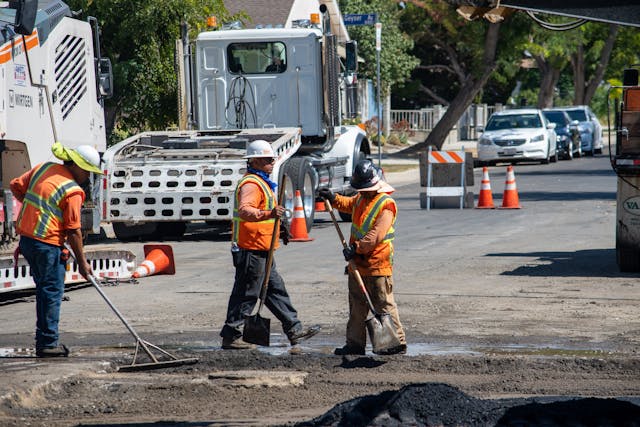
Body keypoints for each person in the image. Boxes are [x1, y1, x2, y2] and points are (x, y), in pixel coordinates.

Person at [220, 140, 319, 350]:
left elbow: (268, 214)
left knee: (275, 290)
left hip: (262, 248)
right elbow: (247, 211)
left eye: (272, 159)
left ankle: (295, 330)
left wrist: (281, 227)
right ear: (254, 160)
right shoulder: (251, 185)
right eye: (267, 160)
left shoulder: (262, 182)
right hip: (251, 249)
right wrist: (270, 214)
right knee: (247, 293)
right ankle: (232, 335)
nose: (272, 163)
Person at [10, 142, 102, 358]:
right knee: (51, 292)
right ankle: (48, 343)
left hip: (28, 242)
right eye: (87, 171)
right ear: (78, 166)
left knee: (44, 290)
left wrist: (36, 210)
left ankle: (44, 341)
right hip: (47, 245)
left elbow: (16, 186)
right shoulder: (73, 191)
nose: (88, 177)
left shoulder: (43, 168)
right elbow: (73, 231)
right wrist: (82, 262)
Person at [319, 159, 406, 356]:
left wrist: (356, 248)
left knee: (384, 305)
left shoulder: (386, 205)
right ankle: (355, 345)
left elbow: (376, 235)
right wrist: (333, 198)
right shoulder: (361, 198)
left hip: (377, 265)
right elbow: (349, 204)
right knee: (357, 308)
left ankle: (397, 342)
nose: (362, 191)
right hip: (357, 264)